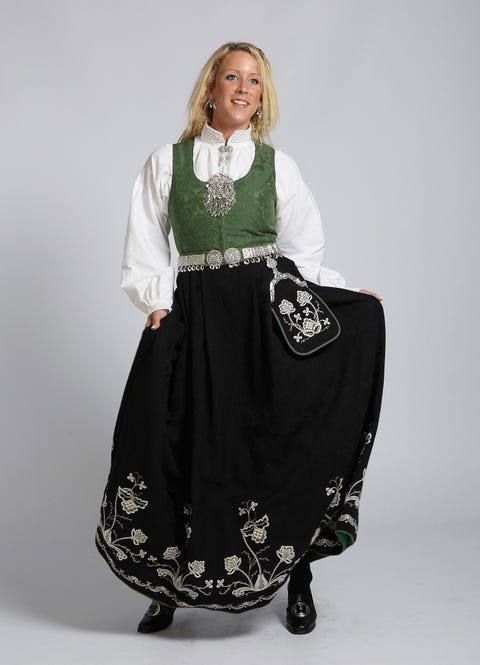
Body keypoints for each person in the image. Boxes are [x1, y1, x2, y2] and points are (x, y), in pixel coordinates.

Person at [94, 41, 386, 636]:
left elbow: (304, 251)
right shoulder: (166, 161)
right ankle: (166, 585)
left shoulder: (279, 166)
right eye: (233, 77)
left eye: (254, 81)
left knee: (275, 439)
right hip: (195, 313)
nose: (243, 89)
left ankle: (297, 575)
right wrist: (155, 302)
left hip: (261, 317)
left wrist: (342, 295)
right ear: (211, 87)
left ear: (262, 96)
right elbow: (145, 245)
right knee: (172, 439)